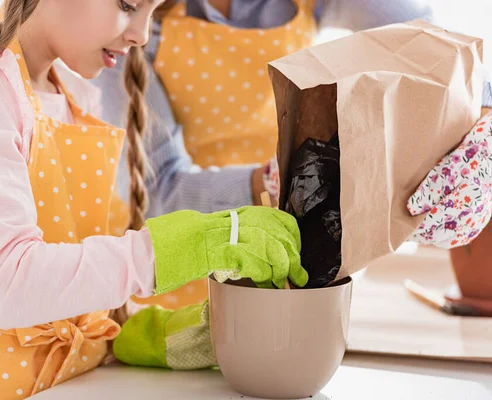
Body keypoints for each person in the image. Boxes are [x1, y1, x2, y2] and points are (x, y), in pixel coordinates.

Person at [0, 1, 307, 398]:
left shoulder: (71, 88)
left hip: (66, 380)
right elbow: (9, 284)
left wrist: (142, 334)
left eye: (152, 11)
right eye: (128, 5)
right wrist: (175, 249)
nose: (141, 36)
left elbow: (73, 269)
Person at [90, 0, 492, 309]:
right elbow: (156, 191)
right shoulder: (127, 17)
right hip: (176, 278)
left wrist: (483, 125)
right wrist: (272, 182)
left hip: (292, 270)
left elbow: (432, 50)